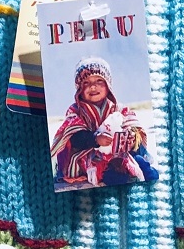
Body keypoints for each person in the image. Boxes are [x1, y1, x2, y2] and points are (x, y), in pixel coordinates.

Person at [50, 58, 159, 187]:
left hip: (120, 152)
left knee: (134, 153)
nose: (93, 86)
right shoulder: (76, 111)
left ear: (108, 85)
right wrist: (95, 139)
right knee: (112, 175)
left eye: (99, 81)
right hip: (91, 155)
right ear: (79, 88)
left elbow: (133, 125)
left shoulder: (118, 108)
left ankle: (140, 165)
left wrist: (132, 136)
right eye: (86, 83)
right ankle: (115, 172)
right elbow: (73, 137)